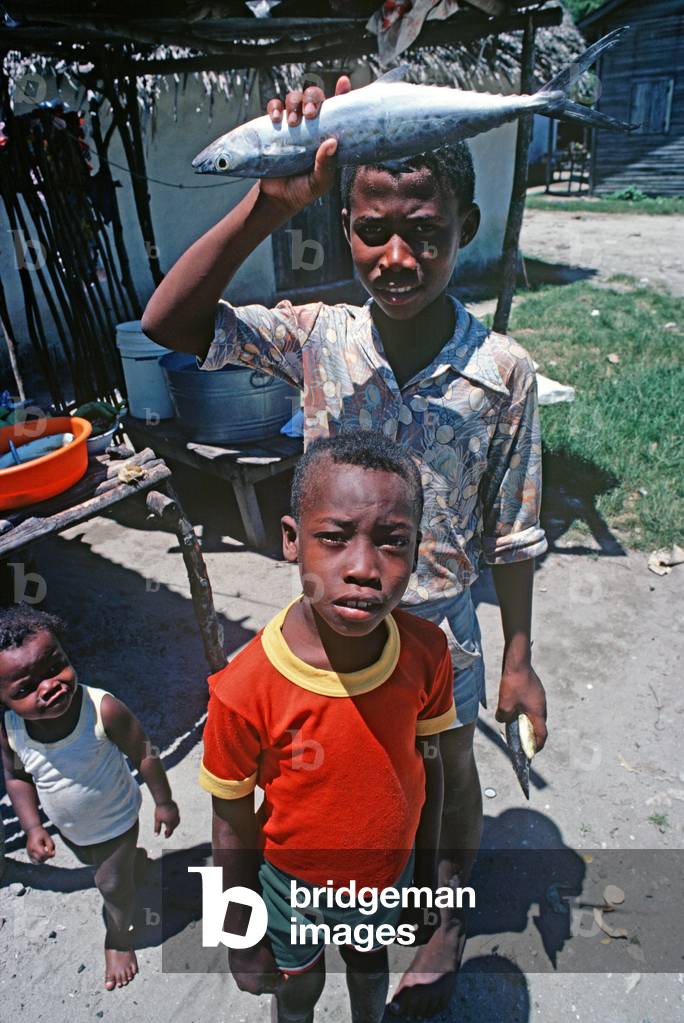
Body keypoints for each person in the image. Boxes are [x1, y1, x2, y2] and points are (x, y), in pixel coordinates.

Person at [142, 74, 548, 1013]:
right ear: (346, 224)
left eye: (428, 234)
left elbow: (515, 530)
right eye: (372, 231)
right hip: (329, 636)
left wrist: (519, 655)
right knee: (333, 789)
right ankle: (322, 913)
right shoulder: (317, 337)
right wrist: (266, 203)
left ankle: (440, 917)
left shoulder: (503, 371)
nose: (397, 256)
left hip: (441, 628)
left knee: (447, 772)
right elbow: (169, 324)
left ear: (468, 226)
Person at [198, 431, 455, 1023]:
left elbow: (430, 771)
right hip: (293, 886)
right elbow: (231, 823)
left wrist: (427, 878)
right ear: (292, 541)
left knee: (369, 969)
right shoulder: (242, 692)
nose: (364, 568)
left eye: (394, 543)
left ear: (417, 551)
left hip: (386, 880)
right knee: (298, 988)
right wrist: (239, 936)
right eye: (334, 539)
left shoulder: (426, 652)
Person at [0, 605, 180, 991]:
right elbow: (16, 777)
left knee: (110, 885)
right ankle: (132, 863)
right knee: (91, 859)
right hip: (71, 827)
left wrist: (164, 801)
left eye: (54, 667)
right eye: (25, 689)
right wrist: (32, 826)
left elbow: (144, 752)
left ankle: (118, 937)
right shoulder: (11, 729)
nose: (49, 686)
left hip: (116, 818)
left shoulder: (102, 709)